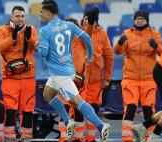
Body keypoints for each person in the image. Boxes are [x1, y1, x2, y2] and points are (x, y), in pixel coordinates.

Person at [38, 0, 111, 142]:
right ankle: (67, 122)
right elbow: (87, 37)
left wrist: (39, 45)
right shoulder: (69, 25)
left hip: (61, 74)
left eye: (41, 11)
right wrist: (90, 55)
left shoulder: (44, 31)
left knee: (78, 103)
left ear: (48, 12)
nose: (40, 14)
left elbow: (42, 53)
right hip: (63, 71)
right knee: (47, 94)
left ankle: (101, 126)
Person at [114, 10, 162, 142]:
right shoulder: (127, 33)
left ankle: (149, 137)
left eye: (142, 19)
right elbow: (117, 52)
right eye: (137, 19)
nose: (140, 21)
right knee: (130, 107)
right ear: (134, 20)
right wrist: (120, 43)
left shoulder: (154, 34)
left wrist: (156, 46)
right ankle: (127, 138)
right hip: (130, 79)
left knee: (148, 109)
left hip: (149, 79)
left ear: (147, 20)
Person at [0, 5, 38, 141]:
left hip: (28, 76)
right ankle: (9, 136)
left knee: (28, 109)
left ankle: (26, 136)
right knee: (10, 108)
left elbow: (36, 47)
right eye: (17, 16)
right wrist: (13, 37)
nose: (20, 19)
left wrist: (28, 37)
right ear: (11, 17)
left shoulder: (31, 29)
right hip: (10, 77)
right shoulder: (2, 30)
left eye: (22, 16)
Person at [81, 7, 114, 142]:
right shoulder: (76, 32)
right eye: (85, 18)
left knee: (93, 108)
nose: (86, 20)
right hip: (78, 80)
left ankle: (90, 138)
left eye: (89, 18)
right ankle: (75, 137)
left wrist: (106, 78)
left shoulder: (102, 34)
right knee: (76, 109)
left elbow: (109, 56)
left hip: (95, 80)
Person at [58, 18, 88, 142]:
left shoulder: (82, 41)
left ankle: (79, 138)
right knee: (64, 110)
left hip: (79, 84)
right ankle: (64, 137)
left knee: (79, 112)